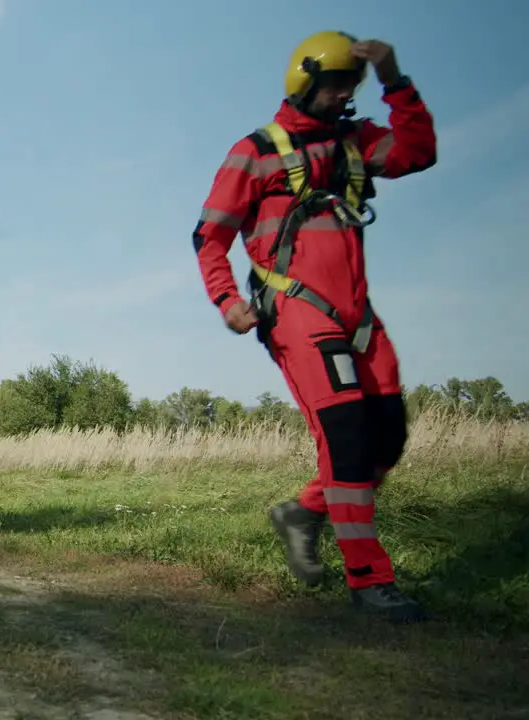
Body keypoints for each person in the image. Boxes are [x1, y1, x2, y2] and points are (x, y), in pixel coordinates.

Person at [191, 31, 436, 622]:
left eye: (351, 85)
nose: (343, 95)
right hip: (297, 312)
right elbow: (209, 236)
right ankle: (370, 581)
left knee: (387, 441)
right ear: (303, 81)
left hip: (360, 318)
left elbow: (417, 152)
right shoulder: (256, 151)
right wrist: (227, 302)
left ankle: (303, 511)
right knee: (347, 442)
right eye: (334, 85)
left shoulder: (358, 141)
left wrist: (395, 80)